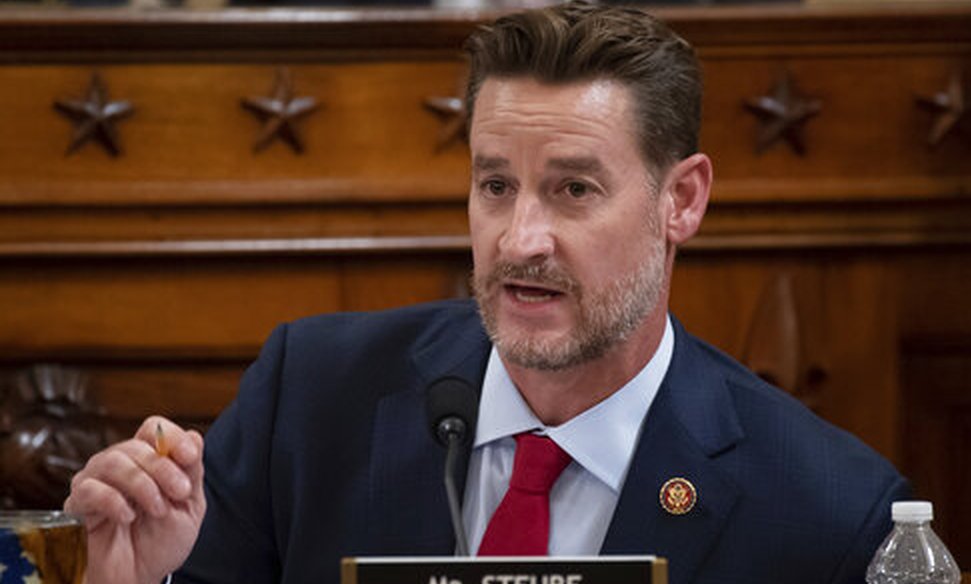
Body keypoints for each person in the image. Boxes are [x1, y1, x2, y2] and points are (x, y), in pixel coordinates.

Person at [64, 2, 910, 583]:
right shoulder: (312, 396)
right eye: (496, 185)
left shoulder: (829, 506)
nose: (519, 240)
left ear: (680, 201)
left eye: (574, 190)